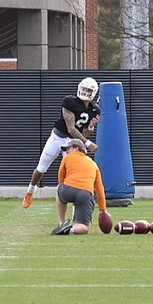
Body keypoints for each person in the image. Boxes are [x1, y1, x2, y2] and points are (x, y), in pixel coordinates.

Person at [23, 77, 101, 208]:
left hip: (73, 142)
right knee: (42, 167)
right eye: (84, 88)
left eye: (88, 90)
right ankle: (30, 191)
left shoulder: (94, 110)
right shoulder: (69, 101)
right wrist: (87, 143)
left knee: (74, 173)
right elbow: (71, 129)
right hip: (58, 137)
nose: (85, 92)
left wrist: (91, 127)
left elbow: (84, 133)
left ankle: (76, 207)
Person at [50, 139, 109, 235]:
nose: (66, 151)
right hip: (85, 193)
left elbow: (61, 178)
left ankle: (62, 223)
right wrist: (102, 210)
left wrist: (63, 189)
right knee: (84, 227)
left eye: (68, 148)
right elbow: (99, 189)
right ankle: (70, 230)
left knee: (59, 189)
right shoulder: (93, 164)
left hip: (68, 189)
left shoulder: (67, 158)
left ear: (76, 148)